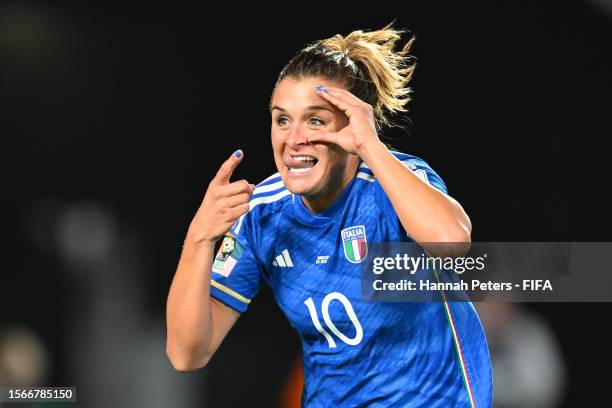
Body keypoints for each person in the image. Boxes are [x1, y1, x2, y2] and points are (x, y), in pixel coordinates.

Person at [166, 24, 493, 407]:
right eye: (282, 119)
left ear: (352, 127)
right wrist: (199, 238)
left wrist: (371, 146)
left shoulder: (394, 184)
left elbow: (453, 245)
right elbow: (187, 353)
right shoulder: (261, 216)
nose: (294, 138)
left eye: (316, 120)